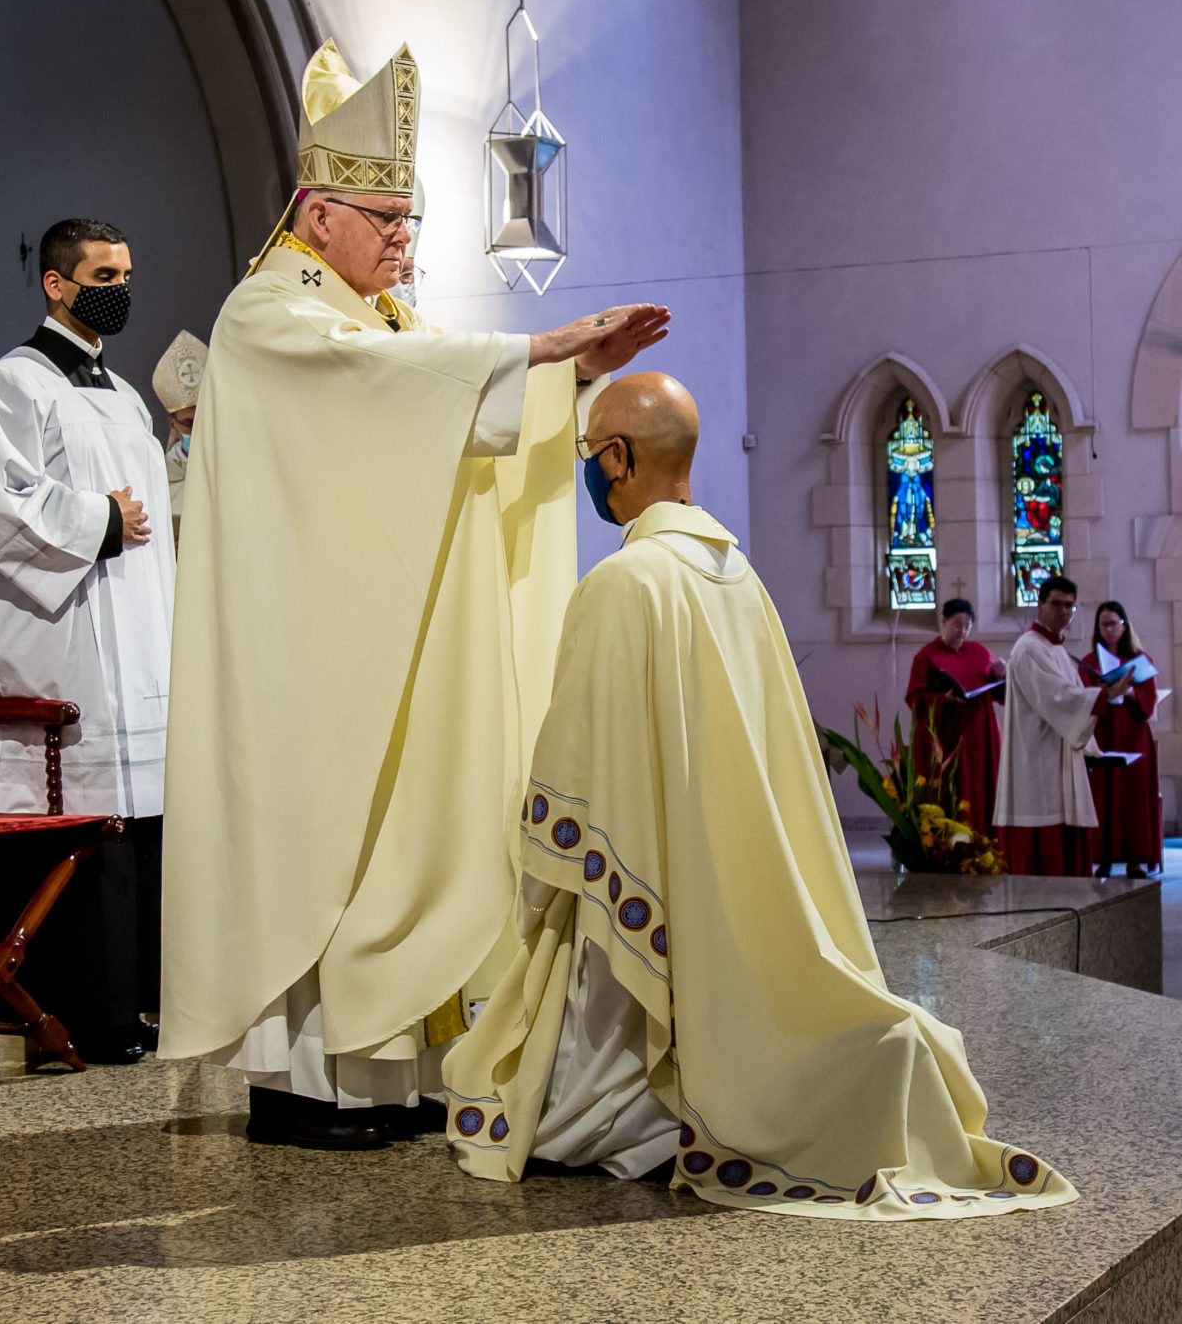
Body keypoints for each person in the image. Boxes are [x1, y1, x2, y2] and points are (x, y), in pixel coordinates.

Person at [160, 38, 670, 1152]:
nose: (401, 242)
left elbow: (453, 402)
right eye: (383, 220)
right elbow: (390, 396)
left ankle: (394, 1073)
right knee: (324, 842)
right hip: (310, 657)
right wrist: (533, 347)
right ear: (315, 210)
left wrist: (567, 375)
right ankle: (305, 1090)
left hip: (384, 644)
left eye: (410, 225)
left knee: (403, 833)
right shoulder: (268, 314)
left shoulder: (382, 318)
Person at [443, 373, 1074, 1219]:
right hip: (730, 881)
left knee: (556, 1092)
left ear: (621, 458)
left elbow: (580, 774)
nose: (592, 470)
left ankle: (639, 1099)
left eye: (594, 453)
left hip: (644, 887)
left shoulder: (624, 584)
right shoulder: (738, 576)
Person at [0, 218, 174, 1065]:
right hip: (63, 645)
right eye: (103, 272)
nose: (119, 287)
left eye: (126, 271)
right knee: (67, 829)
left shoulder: (124, 400)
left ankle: (133, 1006)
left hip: (136, 645)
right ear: (55, 283)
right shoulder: (15, 384)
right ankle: (62, 1012)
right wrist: (101, 520)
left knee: (135, 833)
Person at [994, 575, 1133, 875]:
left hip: (1060, 759)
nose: (1063, 612)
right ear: (1040, 604)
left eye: (1070, 606)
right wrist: (1105, 695)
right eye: (1056, 604)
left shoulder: (1056, 650)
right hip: (1037, 765)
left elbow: (1070, 699)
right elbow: (1057, 698)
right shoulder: (1029, 648)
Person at [905, 599, 1005, 835]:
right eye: (957, 625)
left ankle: (984, 843)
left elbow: (997, 692)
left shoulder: (981, 652)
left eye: (968, 626)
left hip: (980, 733)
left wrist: (1002, 676)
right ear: (944, 622)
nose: (962, 631)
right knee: (951, 790)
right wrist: (944, 699)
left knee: (982, 787)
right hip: (946, 736)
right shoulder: (926, 656)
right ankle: (947, 844)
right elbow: (915, 698)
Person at [1082, 601, 1163, 878]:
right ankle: (1102, 857)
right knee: (1102, 795)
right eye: (1104, 624)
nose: (1109, 630)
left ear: (1124, 626)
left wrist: (1128, 692)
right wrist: (1102, 691)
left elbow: (1149, 703)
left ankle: (1135, 859)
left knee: (1134, 796)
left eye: (1114, 624)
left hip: (1132, 731)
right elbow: (1081, 697)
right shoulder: (1090, 662)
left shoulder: (1140, 660)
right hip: (1102, 731)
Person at [151, 329, 207, 538]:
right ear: (172, 424)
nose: (196, 431)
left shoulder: (231, 469)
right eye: (188, 423)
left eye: (202, 421)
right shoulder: (159, 475)